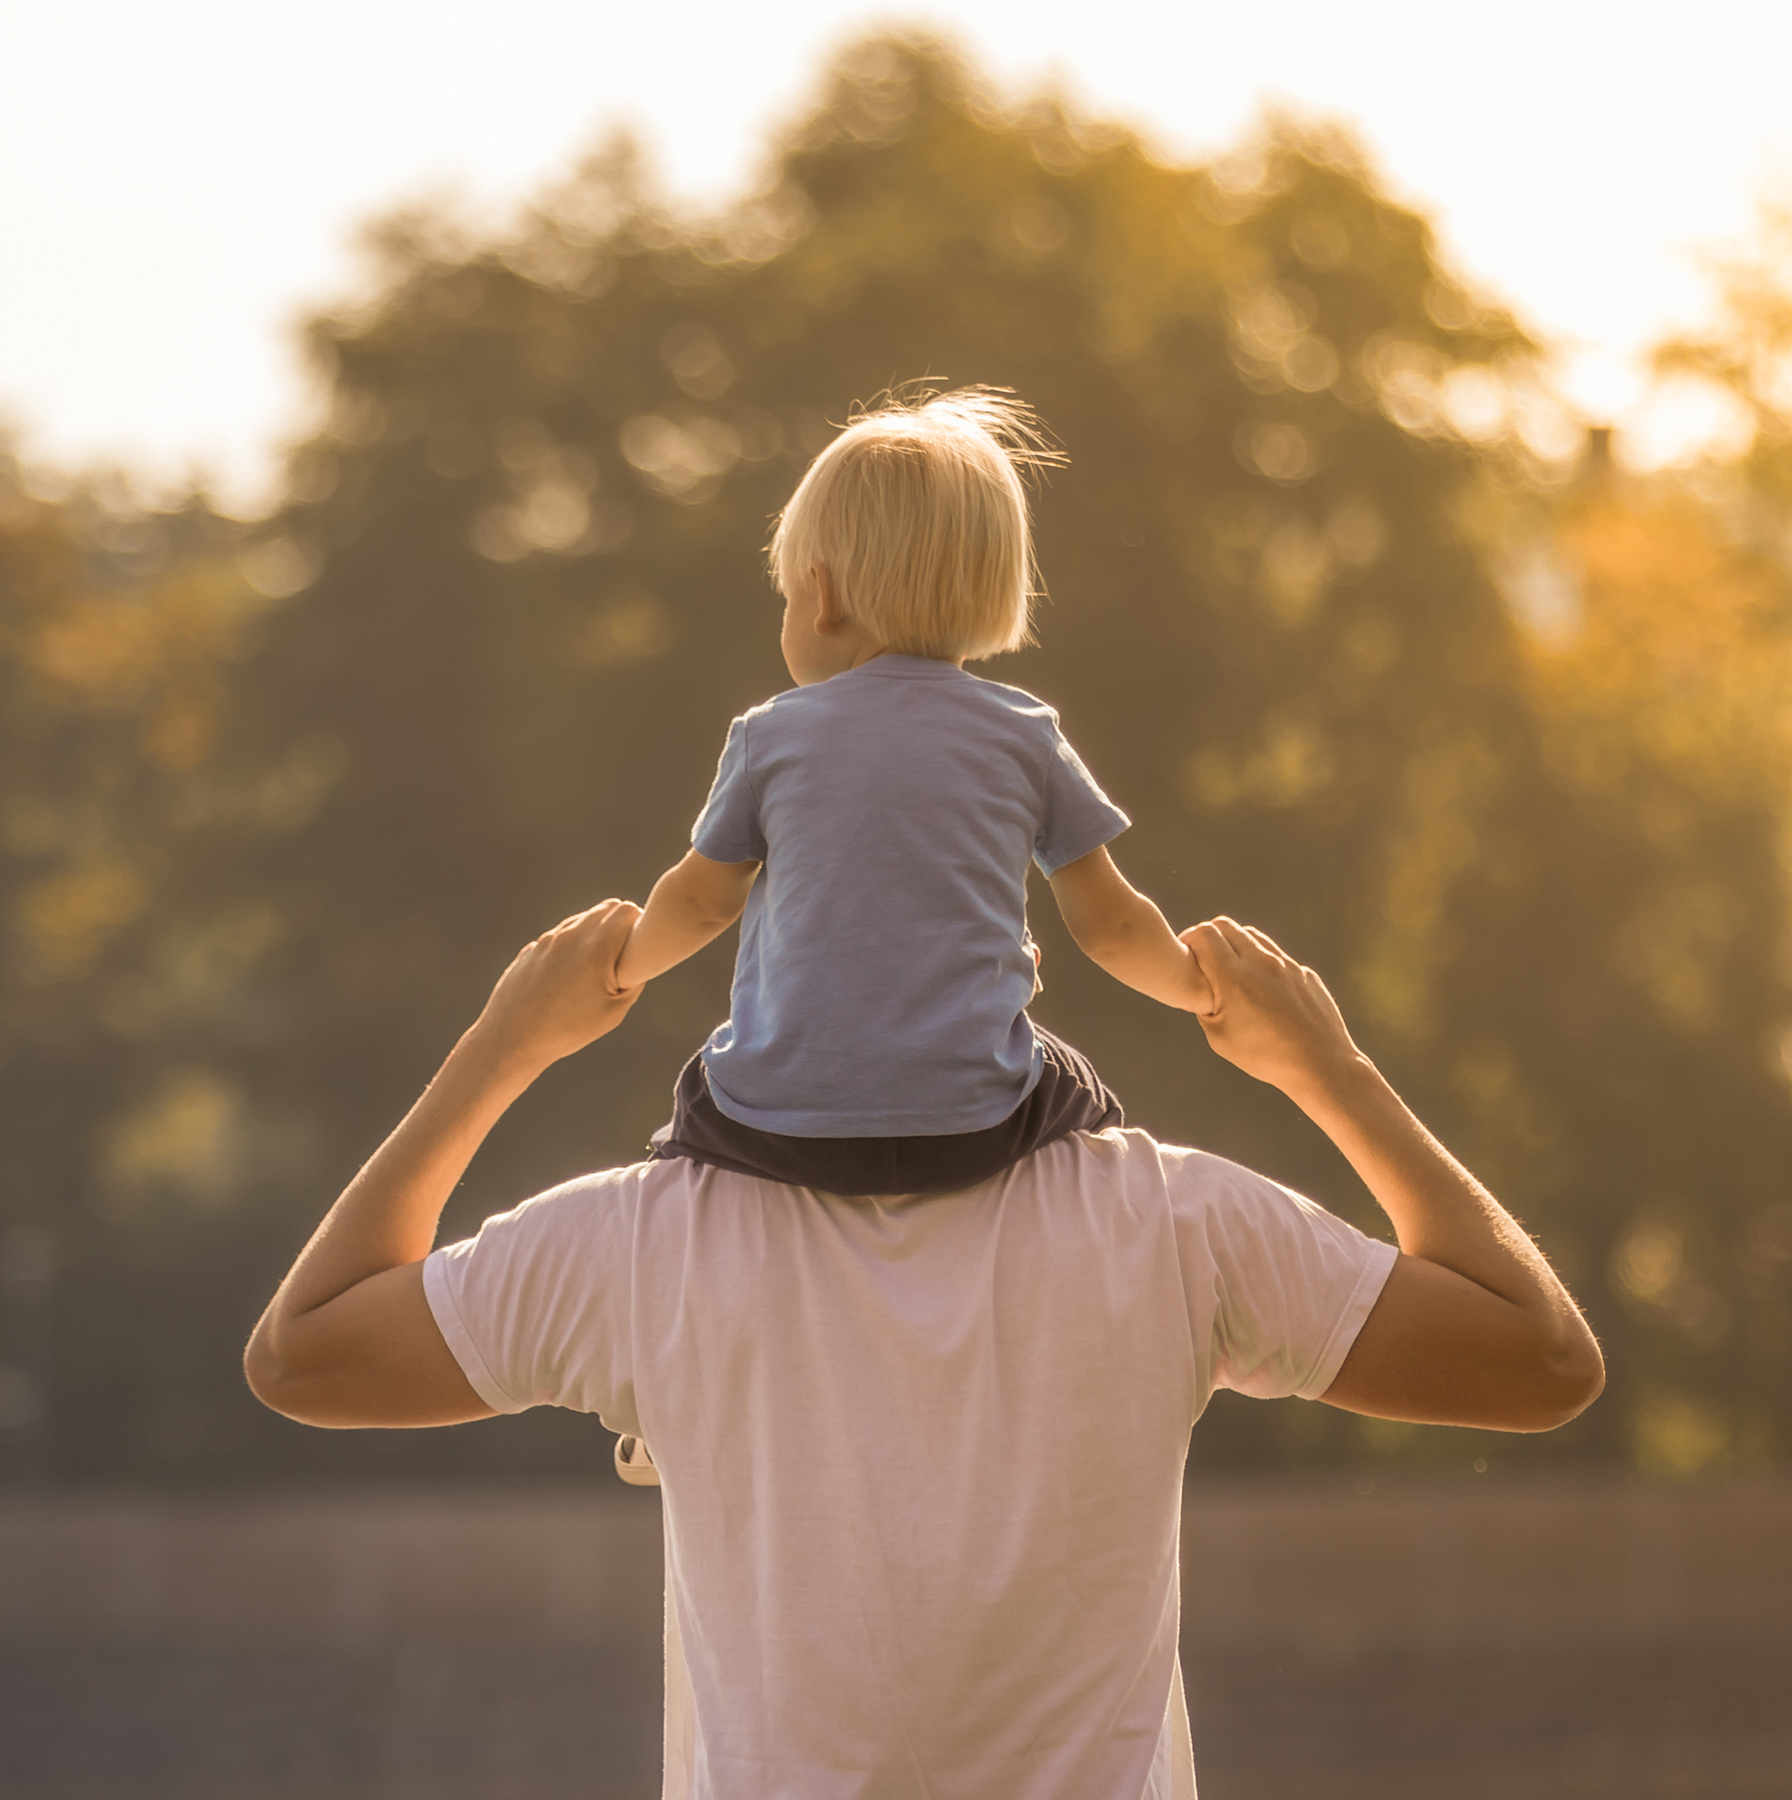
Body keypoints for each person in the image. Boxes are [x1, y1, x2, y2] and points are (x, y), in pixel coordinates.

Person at [242, 902, 1603, 1799]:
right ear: (1015, 971)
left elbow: (304, 1354)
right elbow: (1539, 1361)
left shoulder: (644, 1243)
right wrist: (1326, 1069)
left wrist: (500, 1048)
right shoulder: (1172, 1218)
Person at [609, 387, 1208, 1199]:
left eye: (785, 596)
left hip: (777, 1128)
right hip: (974, 1128)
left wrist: (619, 964)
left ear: (820, 597)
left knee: (696, 1098)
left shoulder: (769, 736)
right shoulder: (1026, 735)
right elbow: (1112, 926)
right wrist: (1197, 985)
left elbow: (702, 904)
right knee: (1081, 1091)